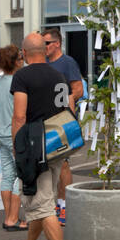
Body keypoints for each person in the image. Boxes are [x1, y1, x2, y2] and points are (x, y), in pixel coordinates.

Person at [10, 33, 74, 240]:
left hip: (37, 149)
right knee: (43, 199)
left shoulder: (23, 76)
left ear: (24, 53)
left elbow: (19, 116)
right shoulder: (59, 75)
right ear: (44, 51)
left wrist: (19, 149)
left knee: (43, 205)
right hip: (59, 144)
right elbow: (70, 108)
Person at [42, 29, 84, 225]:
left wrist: (66, 100)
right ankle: (54, 204)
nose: (45, 47)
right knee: (51, 163)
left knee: (63, 162)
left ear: (57, 43)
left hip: (62, 120)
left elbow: (78, 89)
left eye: (47, 43)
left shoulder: (67, 62)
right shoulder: (43, 63)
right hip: (45, 119)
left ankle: (64, 205)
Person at [0, 44, 26, 232]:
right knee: (20, 176)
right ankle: (14, 218)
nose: (23, 61)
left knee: (7, 175)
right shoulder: (18, 83)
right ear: (14, 62)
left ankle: (9, 217)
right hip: (15, 133)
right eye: (20, 58)